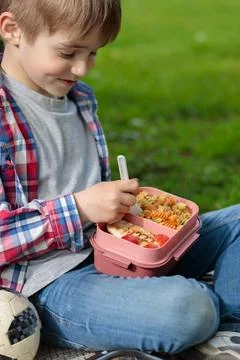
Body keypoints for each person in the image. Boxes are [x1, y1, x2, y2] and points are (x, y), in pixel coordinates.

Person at [0, 1, 239, 359]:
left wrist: (128, 210)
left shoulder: (80, 100)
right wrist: (80, 207)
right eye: (69, 52)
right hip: (50, 284)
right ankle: (192, 315)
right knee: (190, 308)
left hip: (115, 252)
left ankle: (229, 329)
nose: (82, 68)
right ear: (13, 29)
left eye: (93, 52)